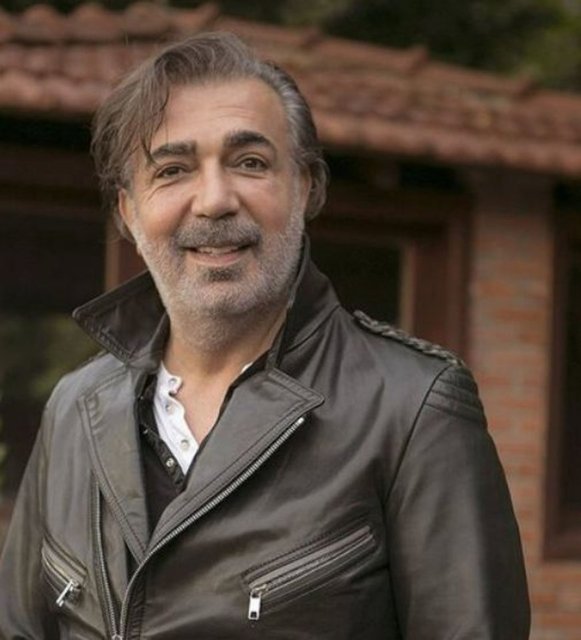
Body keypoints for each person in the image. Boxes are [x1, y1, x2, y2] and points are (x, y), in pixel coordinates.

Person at [0, 32, 530, 639]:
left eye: (250, 162)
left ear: (305, 187)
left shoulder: (413, 411)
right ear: (128, 211)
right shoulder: (74, 409)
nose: (214, 201)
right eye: (172, 170)